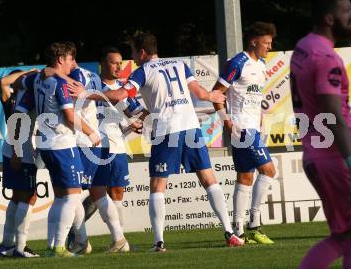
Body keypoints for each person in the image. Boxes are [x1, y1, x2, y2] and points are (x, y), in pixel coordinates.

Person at [69, 33, 245, 251]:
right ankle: (230, 232)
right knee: (209, 180)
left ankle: (159, 242)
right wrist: (214, 96)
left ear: (142, 52)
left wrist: (86, 94)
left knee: (157, 187)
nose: (132, 58)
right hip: (190, 127)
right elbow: (200, 93)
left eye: (133, 52)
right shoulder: (180, 64)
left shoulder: (143, 71)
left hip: (166, 130)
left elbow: (120, 94)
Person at [289, 0, 351, 268]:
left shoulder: (303, 47)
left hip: (316, 154)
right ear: (328, 18)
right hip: (336, 157)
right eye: (346, 12)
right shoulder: (325, 57)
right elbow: (332, 113)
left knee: (344, 235)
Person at [21, 42, 100, 257]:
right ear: (59, 60)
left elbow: (20, 80)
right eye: (68, 59)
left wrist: (47, 72)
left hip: (45, 144)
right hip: (62, 143)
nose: (71, 63)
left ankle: (51, 245)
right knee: (73, 197)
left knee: (61, 197)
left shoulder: (37, 78)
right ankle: (59, 247)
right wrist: (91, 132)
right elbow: (69, 116)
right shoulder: (58, 83)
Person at [69, 47, 143, 251]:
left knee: (114, 192)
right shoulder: (92, 82)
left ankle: (116, 239)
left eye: (121, 63)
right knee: (91, 192)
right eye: (114, 62)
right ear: (102, 63)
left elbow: (137, 112)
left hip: (114, 145)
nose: (119, 66)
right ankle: (85, 236)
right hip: (91, 143)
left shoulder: (121, 89)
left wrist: (135, 122)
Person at [212, 21, 277, 244]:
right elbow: (216, 93)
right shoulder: (237, 63)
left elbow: (254, 97)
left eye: (270, 43)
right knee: (268, 170)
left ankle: (238, 230)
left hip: (253, 128)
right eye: (266, 43)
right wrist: (226, 121)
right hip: (242, 128)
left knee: (245, 177)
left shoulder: (261, 65)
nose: (269, 46)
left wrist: (260, 118)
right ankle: (254, 225)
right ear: (253, 41)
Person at [0, 68, 40, 258]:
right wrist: (28, 72)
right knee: (29, 196)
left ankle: (6, 245)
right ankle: (21, 247)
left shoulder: (27, 95)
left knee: (17, 197)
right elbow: (4, 82)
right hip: (19, 148)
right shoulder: (14, 97)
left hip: (17, 148)